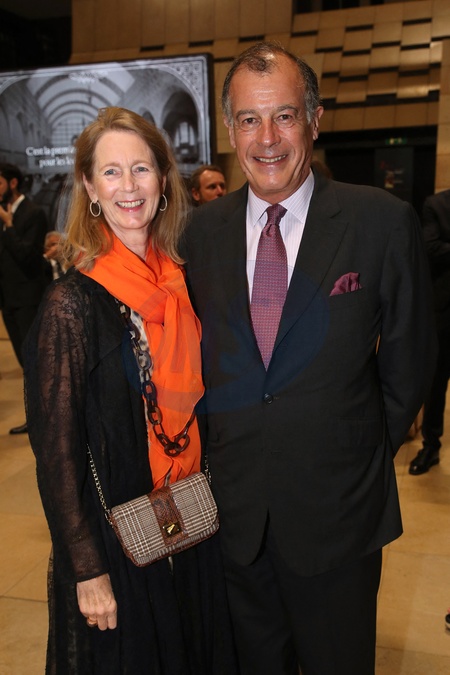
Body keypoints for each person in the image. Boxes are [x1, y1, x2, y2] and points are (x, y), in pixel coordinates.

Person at [182, 42, 436, 675]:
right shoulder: (201, 234)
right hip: (236, 519)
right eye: (249, 119)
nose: (267, 138)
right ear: (230, 130)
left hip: (340, 515)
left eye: (284, 116)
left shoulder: (381, 222)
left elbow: (410, 360)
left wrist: (357, 451)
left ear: (315, 120)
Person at [23, 107, 238, 675]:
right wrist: (86, 568)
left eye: (141, 168)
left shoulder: (186, 281)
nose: (129, 186)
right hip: (117, 541)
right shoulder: (71, 305)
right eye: (111, 172)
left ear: (163, 179)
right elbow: (56, 452)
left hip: (193, 520)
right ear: (90, 187)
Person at [0, 162, 48, 434]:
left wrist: (9, 226)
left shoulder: (33, 213)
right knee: (24, 361)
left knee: (35, 361)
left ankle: (46, 419)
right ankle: (37, 417)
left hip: (28, 298)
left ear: (13, 183)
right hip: (8, 299)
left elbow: (27, 257)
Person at [409, 188, 450, 474]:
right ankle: (431, 445)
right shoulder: (437, 205)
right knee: (435, 381)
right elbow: (430, 247)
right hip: (445, 309)